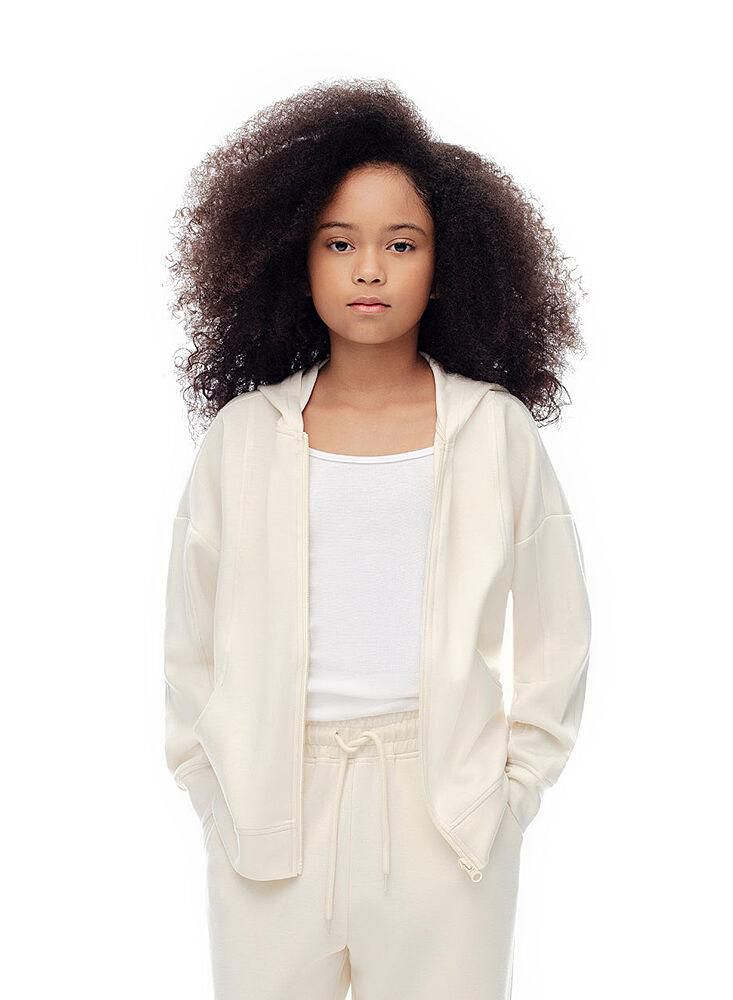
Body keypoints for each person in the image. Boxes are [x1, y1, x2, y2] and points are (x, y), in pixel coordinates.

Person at [163, 77, 592, 1000]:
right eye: (338, 242)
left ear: (446, 264)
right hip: (269, 813)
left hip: (446, 816)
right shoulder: (243, 437)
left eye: (401, 244)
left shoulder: (491, 430)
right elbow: (188, 644)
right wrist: (213, 790)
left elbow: (556, 631)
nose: (369, 270)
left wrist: (509, 795)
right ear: (295, 259)